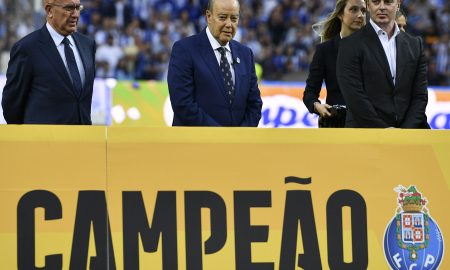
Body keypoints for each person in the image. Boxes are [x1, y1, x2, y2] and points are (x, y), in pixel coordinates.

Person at [167, 0, 263, 126]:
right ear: (208, 17)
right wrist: (220, 136)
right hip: (195, 142)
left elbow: (254, 105)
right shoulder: (185, 49)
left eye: (234, 19)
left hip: (237, 143)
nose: (229, 24)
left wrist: (239, 137)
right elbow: (183, 104)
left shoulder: (246, 54)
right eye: (222, 17)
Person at [336, 0, 429, 128]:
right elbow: (354, 96)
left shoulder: (415, 45)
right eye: (375, 2)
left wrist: (405, 132)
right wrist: (384, 132)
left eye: (388, 2)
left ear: (398, 5)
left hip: (408, 136)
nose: (381, 7)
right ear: (368, 5)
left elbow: (420, 95)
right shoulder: (349, 45)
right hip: (365, 135)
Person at [2, 0, 96, 124]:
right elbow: (12, 105)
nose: (75, 14)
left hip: (82, 140)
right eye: (69, 8)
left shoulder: (88, 45)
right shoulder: (27, 48)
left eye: (78, 8)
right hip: (43, 140)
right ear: (49, 10)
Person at [303, 0, 366, 127]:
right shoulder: (324, 50)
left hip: (366, 125)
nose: (360, 15)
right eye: (354, 9)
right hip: (335, 124)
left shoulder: (373, 49)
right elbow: (310, 92)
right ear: (340, 14)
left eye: (363, 11)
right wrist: (317, 106)